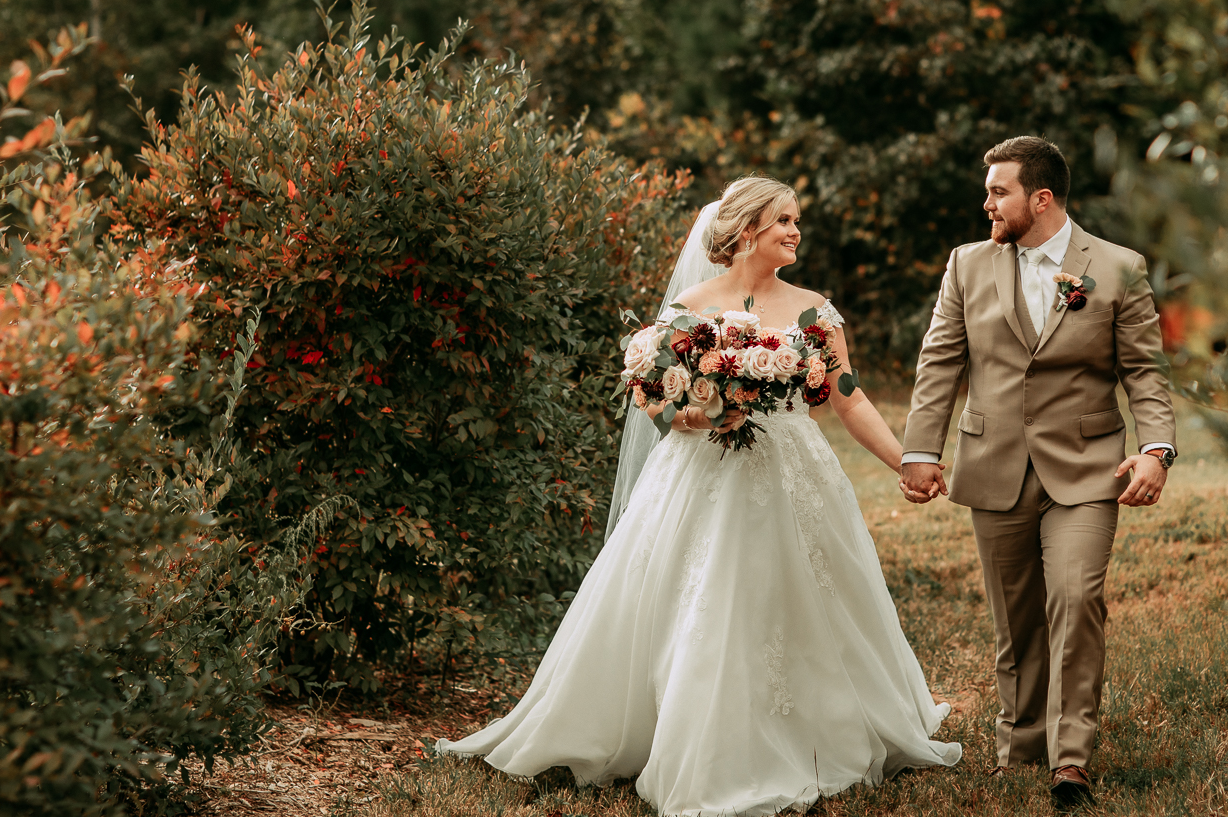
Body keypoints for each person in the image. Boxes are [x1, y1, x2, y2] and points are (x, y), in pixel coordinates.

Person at [438, 175, 962, 816]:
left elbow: (847, 396)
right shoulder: (691, 305)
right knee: (707, 595)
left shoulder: (812, 311)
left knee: (804, 593)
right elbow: (654, 396)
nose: (796, 232)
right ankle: (685, 733)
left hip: (794, 470)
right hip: (702, 473)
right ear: (746, 231)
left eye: (797, 221)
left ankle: (819, 725)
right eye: (784, 222)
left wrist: (906, 461)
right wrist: (697, 415)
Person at [899, 136, 1176, 807]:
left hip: (1086, 469)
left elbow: (1144, 371)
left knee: (1076, 597)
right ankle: (1023, 742)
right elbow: (941, 361)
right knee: (1015, 618)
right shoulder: (967, 265)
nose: (986, 202)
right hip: (993, 463)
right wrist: (919, 449)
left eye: (999, 192)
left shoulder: (1117, 267)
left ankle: (1071, 757)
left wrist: (1156, 450)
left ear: (1040, 198)